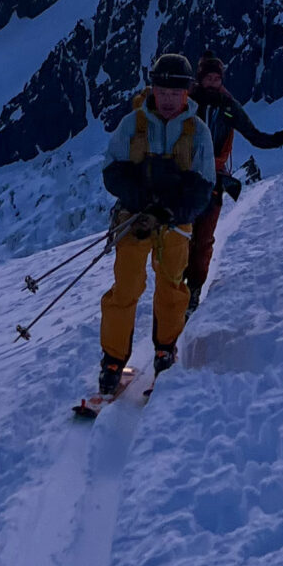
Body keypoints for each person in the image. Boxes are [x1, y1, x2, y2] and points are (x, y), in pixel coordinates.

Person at [92, 51, 215, 397]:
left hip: (174, 224)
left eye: (176, 93)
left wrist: (168, 212)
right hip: (134, 219)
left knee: (172, 287)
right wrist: (139, 202)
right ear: (153, 90)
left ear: (186, 94)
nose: (169, 100)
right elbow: (112, 169)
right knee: (125, 287)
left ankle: (165, 349)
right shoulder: (133, 124)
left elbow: (202, 186)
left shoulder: (198, 132)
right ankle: (112, 361)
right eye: (163, 92)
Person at [189, 51, 283, 312]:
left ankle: (193, 289)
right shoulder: (187, 101)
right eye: (208, 78)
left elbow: (254, 136)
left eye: (216, 78)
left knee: (203, 237)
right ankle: (179, 286)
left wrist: (279, 139)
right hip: (186, 176)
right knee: (182, 235)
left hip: (211, 177)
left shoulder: (227, 106)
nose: (212, 82)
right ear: (200, 78)